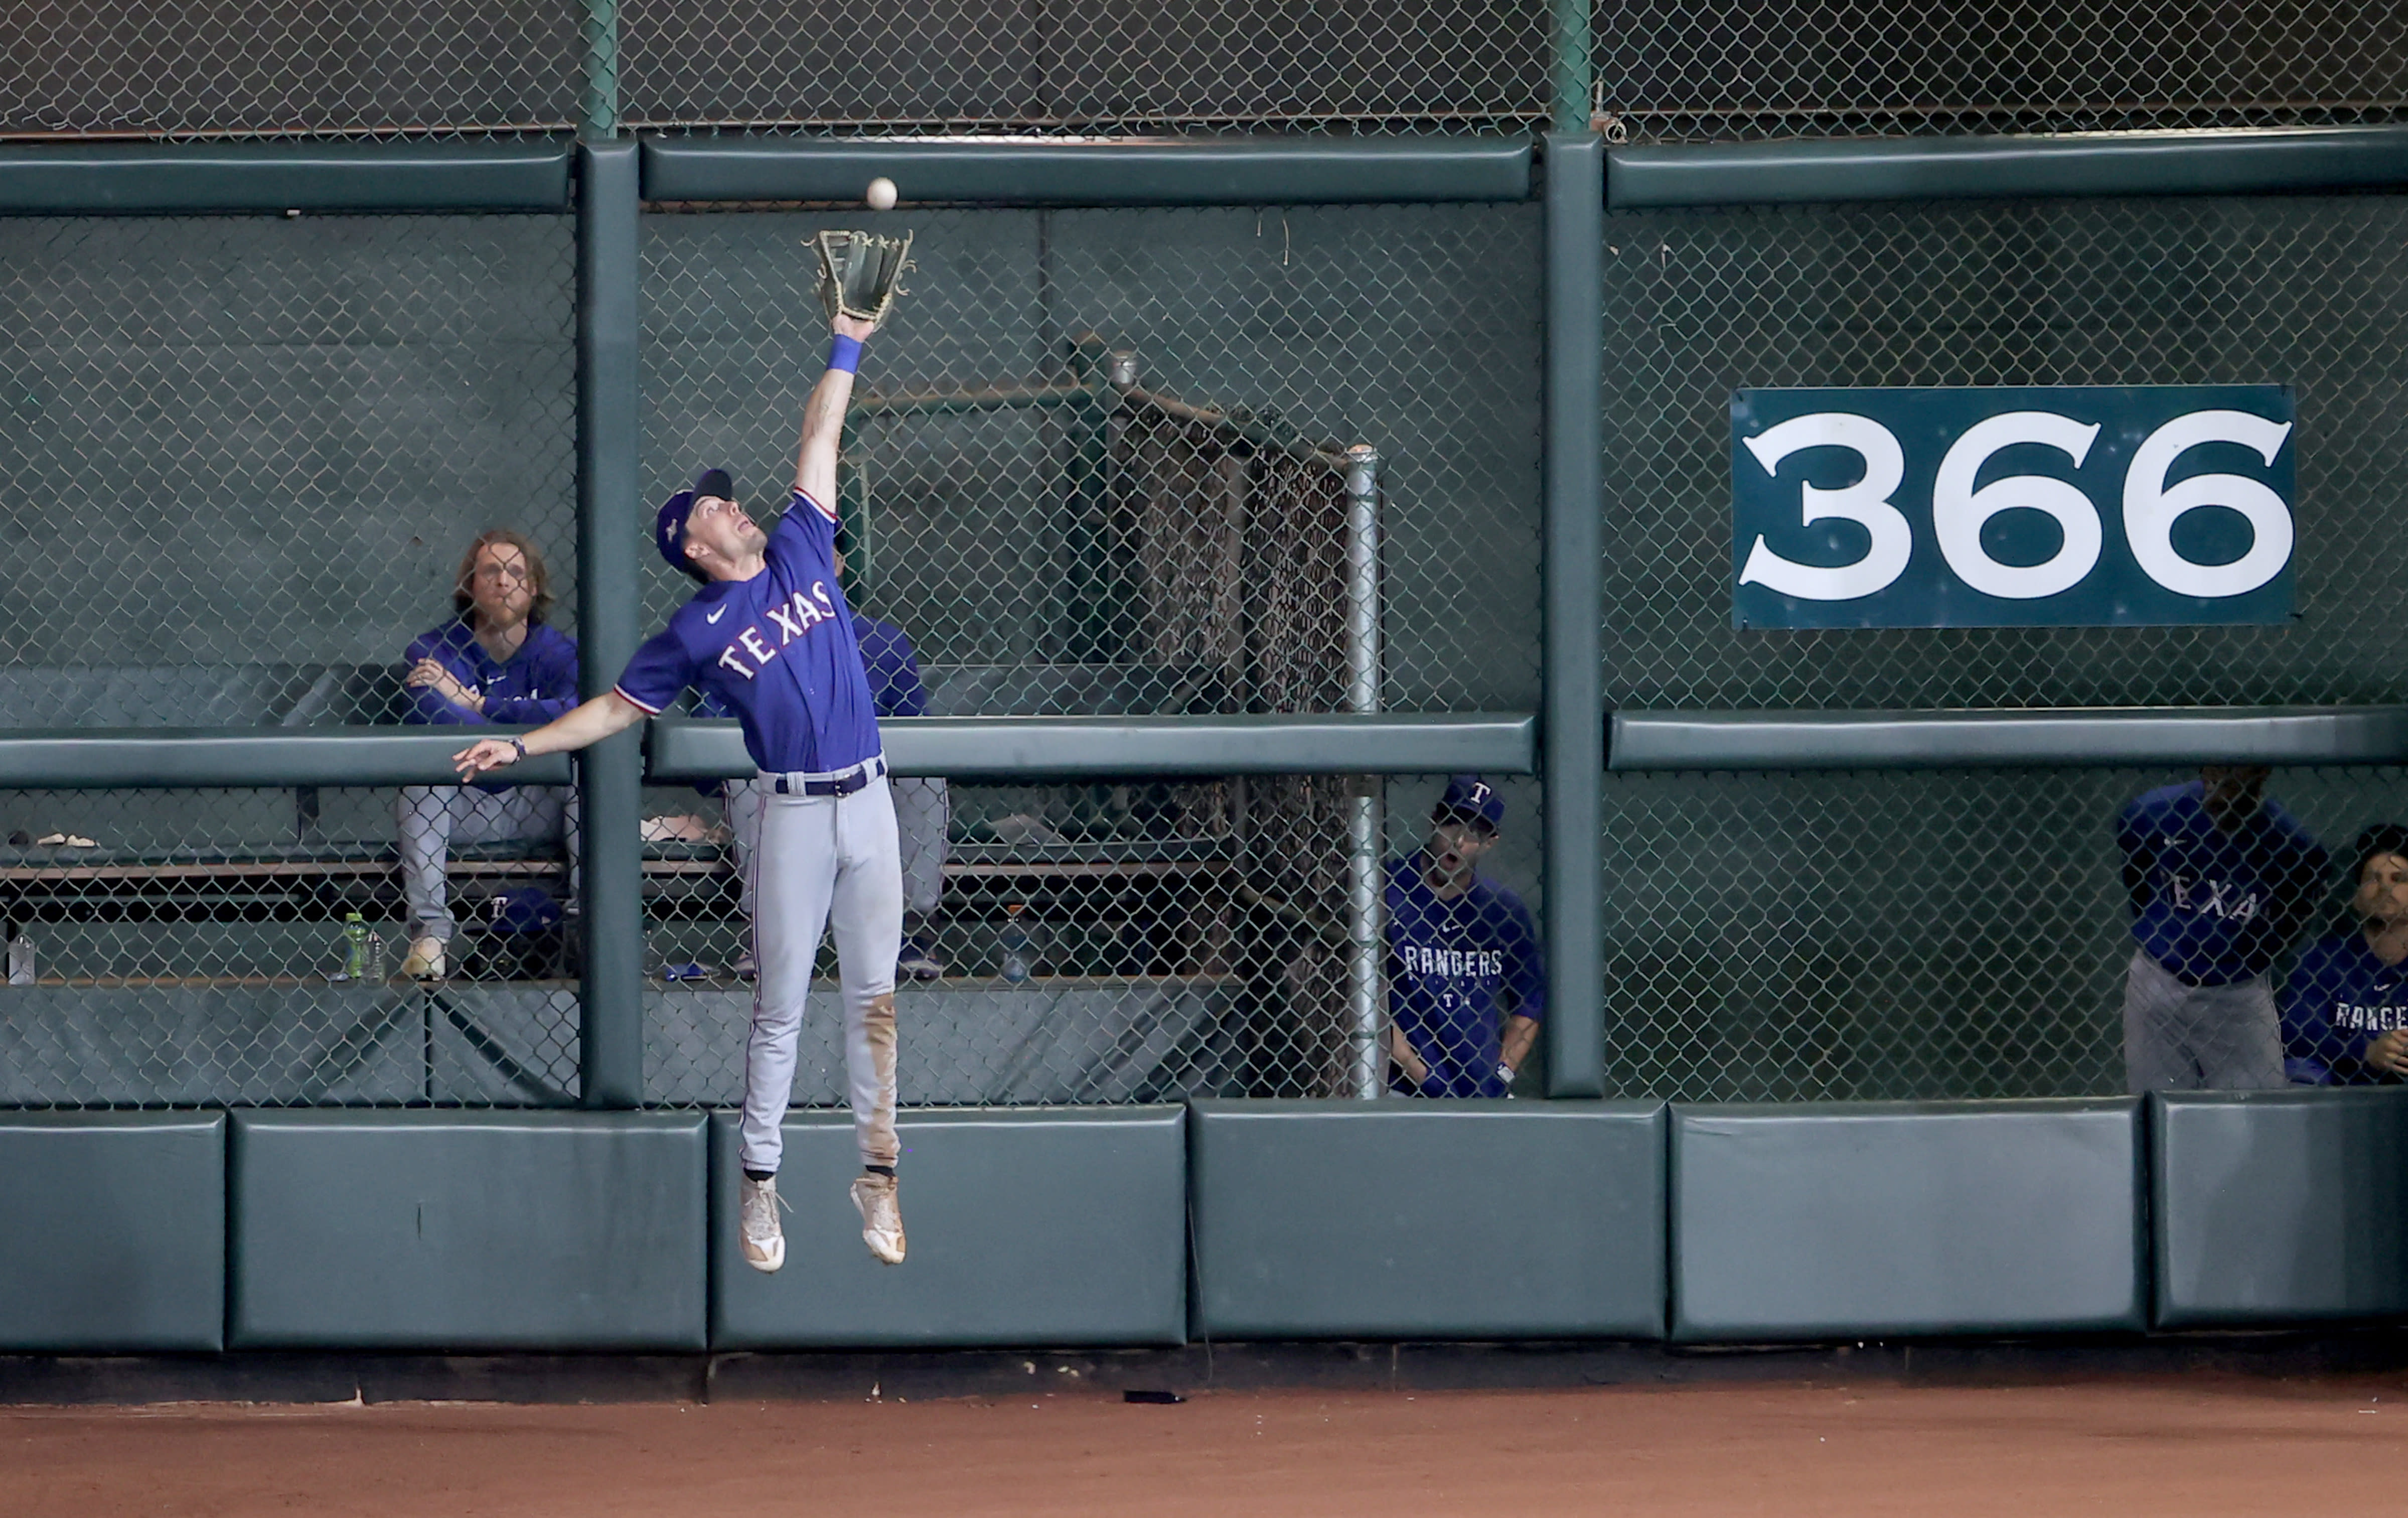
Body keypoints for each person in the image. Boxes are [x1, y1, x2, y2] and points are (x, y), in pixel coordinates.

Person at [451, 306, 905, 1272]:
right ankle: (760, 1188)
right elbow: (617, 710)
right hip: (791, 811)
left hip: (871, 800)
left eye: (728, 500)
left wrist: (847, 339)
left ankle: (878, 1179)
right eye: (712, 506)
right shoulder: (696, 630)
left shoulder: (797, 548)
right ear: (692, 545)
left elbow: (821, 430)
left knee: (874, 998)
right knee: (780, 1007)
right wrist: (520, 746)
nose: (731, 505)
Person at [719, 532, 949, 981]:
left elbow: (920, 740)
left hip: (867, 788)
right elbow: (712, 742)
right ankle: (764, 933)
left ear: (839, 565)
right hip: (784, 787)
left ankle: (912, 932)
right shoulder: (745, 641)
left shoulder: (883, 642)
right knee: (744, 777)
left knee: (925, 779)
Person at [395, 529, 580, 982]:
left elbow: (578, 713)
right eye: (491, 571)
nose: (504, 581)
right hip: (460, 803)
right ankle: (432, 933)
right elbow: (435, 724)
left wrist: (476, 704)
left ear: (534, 588)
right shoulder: (431, 650)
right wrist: (532, 731)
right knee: (421, 777)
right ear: (471, 585)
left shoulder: (559, 653)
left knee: (584, 772)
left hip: (537, 804)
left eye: (516, 572)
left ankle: (583, 923)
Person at [2116, 766, 2328, 1092]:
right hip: (2158, 979)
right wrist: (2161, 931)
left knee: (2257, 1114)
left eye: (2231, 783)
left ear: (2260, 774)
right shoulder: (2154, 811)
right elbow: (2138, 876)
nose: (2219, 796)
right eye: (2213, 781)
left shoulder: (2291, 844)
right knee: (2156, 1109)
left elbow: (2295, 916)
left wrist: (2248, 959)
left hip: (2238, 991)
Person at [1383, 775, 1545, 1097]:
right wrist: (1418, 1072)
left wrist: (1501, 1075)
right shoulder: (1387, 889)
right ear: (1434, 821)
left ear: (1490, 842)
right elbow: (1358, 994)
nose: (1458, 841)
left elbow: (1530, 1002)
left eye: (1474, 833)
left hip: (1483, 1093)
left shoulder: (1503, 911)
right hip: (1402, 1090)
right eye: (1452, 825)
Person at [2281, 824, 2408, 1086]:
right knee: (2299, 1072)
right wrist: (2366, 1051)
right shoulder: (2323, 960)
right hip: (2342, 1084)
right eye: (2373, 878)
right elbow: (2298, 1029)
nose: (2384, 887)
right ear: (2357, 897)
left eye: (2398, 879)